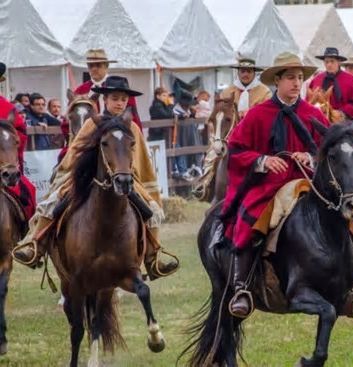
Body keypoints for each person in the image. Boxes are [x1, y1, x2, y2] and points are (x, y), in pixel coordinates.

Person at [13, 76, 177, 280]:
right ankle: (35, 243)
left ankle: (153, 257)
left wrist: (137, 181)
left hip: (125, 180)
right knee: (53, 202)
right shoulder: (92, 124)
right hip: (89, 179)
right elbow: (75, 152)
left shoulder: (132, 128)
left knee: (152, 211)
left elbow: (141, 161)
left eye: (123, 99)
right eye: (115, 98)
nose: (119, 103)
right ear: (105, 100)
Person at [222, 52, 330, 317]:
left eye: (300, 78)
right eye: (291, 78)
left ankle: (347, 290)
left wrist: (312, 157)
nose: (296, 83)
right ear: (277, 81)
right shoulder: (258, 115)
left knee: (342, 215)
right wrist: (262, 160)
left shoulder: (313, 114)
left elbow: (331, 150)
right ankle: (242, 288)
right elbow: (235, 149)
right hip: (269, 186)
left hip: (307, 182)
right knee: (252, 218)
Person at [192, 58, 271, 200]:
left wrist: (251, 114)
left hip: (257, 135)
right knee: (213, 152)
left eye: (248, 71)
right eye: (242, 71)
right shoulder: (228, 91)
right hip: (231, 134)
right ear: (238, 72)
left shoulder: (264, 92)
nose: (245, 74)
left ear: (254, 72)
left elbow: (268, 114)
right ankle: (205, 185)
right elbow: (219, 112)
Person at [0, 62, 36, 222]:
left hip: (3, 163)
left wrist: (8, 149)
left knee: (29, 191)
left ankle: (28, 238)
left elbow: (20, 132)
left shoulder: (7, 107)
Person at [74, 49, 142, 129]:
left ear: (106, 66)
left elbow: (133, 116)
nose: (94, 69)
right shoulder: (80, 91)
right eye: (91, 66)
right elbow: (71, 117)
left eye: (98, 65)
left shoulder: (121, 88)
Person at [308, 47, 353, 123]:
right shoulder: (316, 79)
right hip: (319, 121)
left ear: (339, 62)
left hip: (344, 122)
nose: (329, 65)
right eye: (326, 62)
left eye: (332, 61)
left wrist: (342, 113)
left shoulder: (350, 80)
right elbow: (308, 100)